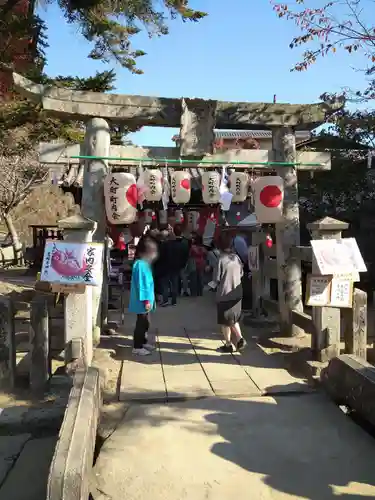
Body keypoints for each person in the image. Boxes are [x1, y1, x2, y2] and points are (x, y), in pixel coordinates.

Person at [214, 232, 247, 353]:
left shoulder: (221, 260)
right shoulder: (236, 258)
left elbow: (216, 278)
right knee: (234, 319)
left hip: (224, 293)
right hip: (237, 293)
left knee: (225, 322)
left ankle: (229, 344)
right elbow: (241, 274)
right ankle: (239, 338)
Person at [128, 237, 158, 356]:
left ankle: (143, 341)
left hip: (146, 299)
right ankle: (137, 346)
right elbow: (142, 284)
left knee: (146, 322)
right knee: (141, 323)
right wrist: (146, 300)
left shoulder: (144, 264)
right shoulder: (140, 265)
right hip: (142, 300)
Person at [160, 224, 189, 306]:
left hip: (166, 266)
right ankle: (174, 300)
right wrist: (182, 265)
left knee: (165, 283)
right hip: (176, 266)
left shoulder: (165, 245)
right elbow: (185, 256)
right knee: (174, 283)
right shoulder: (181, 244)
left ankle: (165, 300)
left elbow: (161, 256)